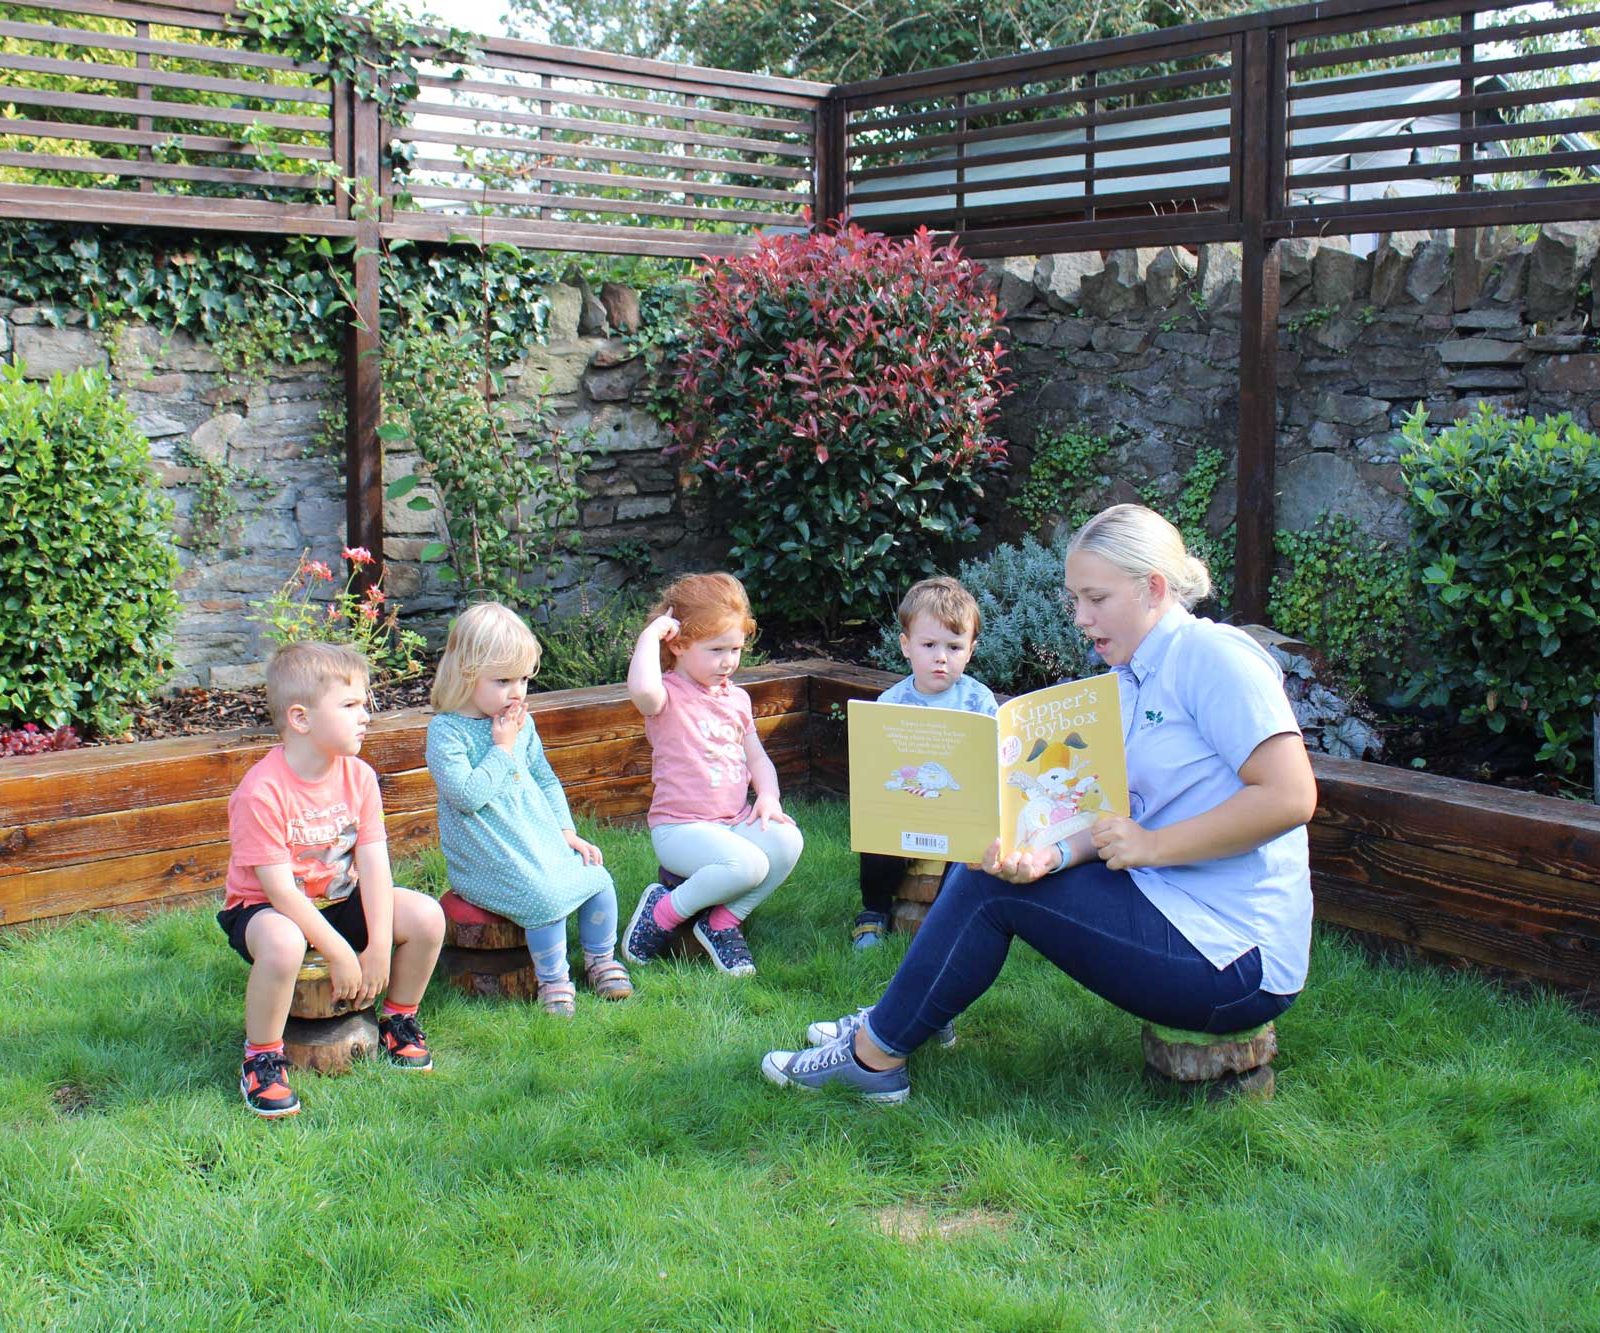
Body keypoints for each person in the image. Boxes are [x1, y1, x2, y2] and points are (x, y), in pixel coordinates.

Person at [762, 504, 1318, 1103]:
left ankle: (872, 1059)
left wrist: (1154, 845)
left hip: (1235, 959)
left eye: (1096, 598)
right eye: (1073, 599)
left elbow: (1290, 796)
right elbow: (1104, 812)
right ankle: (901, 1019)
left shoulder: (1213, 658)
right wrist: (1048, 857)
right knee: (995, 869)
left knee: (988, 890)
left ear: (1154, 588)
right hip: (1172, 905)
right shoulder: (1130, 677)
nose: (1081, 618)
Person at [218, 641, 446, 1118]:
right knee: (284, 943)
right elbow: (279, 890)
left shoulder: (359, 777)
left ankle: (399, 1020)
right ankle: (262, 1058)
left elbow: (375, 864)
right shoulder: (261, 791)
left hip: (339, 897)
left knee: (426, 916)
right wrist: (342, 952)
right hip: (267, 910)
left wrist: (378, 945)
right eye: (350, 706)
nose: (366, 716)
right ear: (300, 719)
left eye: (365, 704)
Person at [426, 602, 632, 1016]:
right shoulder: (446, 732)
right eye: (503, 680)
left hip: (534, 840)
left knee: (597, 877)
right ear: (466, 674)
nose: (517, 691)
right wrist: (502, 748)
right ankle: (553, 981)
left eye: (523, 678)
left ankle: (600, 959)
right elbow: (466, 796)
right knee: (543, 897)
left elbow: (544, 778)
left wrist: (566, 831)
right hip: (486, 856)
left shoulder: (520, 720)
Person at [622, 572, 804, 977]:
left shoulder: (736, 699)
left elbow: (756, 758)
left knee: (788, 841)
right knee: (748, 866)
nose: (729, 661)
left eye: (735, 648)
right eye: (716, 649)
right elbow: (641, 688)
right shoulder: (667, 695)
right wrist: (650, 637)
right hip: (681, 829)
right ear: (680, 645)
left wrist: (769, 799)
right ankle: (663, 912)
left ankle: (721, 922)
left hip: (732, 823)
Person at [852, 575, 999, 950]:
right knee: (877, 839)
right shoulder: (892, 701)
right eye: (929, 645)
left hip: (958, 808)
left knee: (971, 848)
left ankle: (953, 919)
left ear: (971, 650)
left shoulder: (978, 701)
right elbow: (877, 760)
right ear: (906, 646)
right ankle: (874, 911)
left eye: (954, 646)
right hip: (906, 805)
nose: (941, 657)